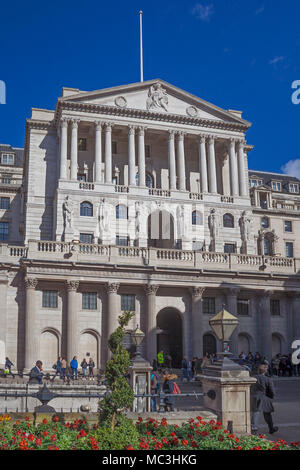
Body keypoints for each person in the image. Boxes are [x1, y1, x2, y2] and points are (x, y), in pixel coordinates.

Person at [251, 364, 278, 435]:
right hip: (265, 397)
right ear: (265, 371)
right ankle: (271, 428)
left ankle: (254, 428)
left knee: (255, 412)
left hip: (254, 396)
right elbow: (272, 391)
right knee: (267, 413)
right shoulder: (268, 379)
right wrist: (271, 396)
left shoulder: (253, 378)